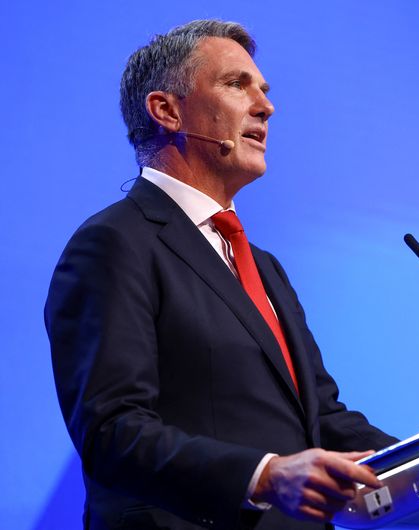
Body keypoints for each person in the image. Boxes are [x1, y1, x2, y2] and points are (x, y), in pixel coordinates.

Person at [45, 19, 397, 530]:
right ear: (167, 111)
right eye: (237, 85)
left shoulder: (264, 266)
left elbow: (323, 417)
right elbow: (112, 433)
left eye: (264, 90)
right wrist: (265, 476)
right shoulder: (114, 243)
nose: (266, 106)